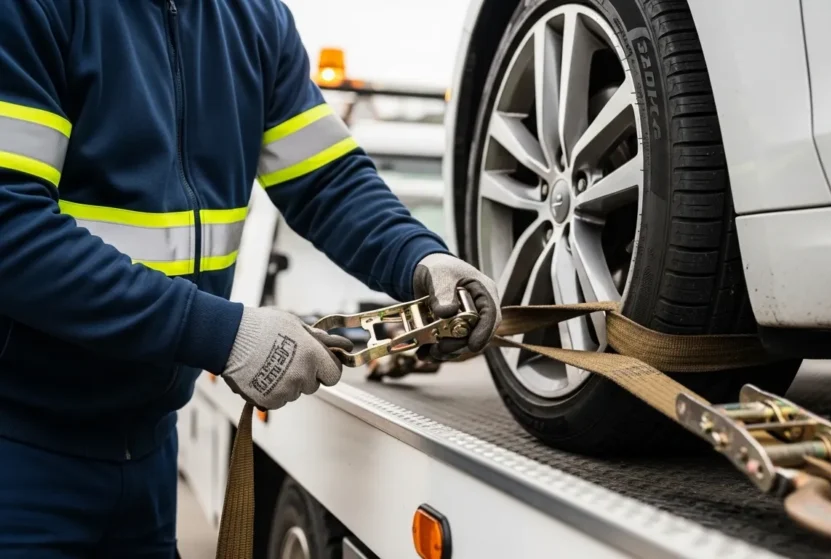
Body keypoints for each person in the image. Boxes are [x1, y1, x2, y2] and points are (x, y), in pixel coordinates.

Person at [0, 1, 500, 557]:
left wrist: (419, 260)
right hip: (21, 450)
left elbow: (328, 181)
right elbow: (9, 227)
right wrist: (221, 333)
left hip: (145, 451)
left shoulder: (254, 20)